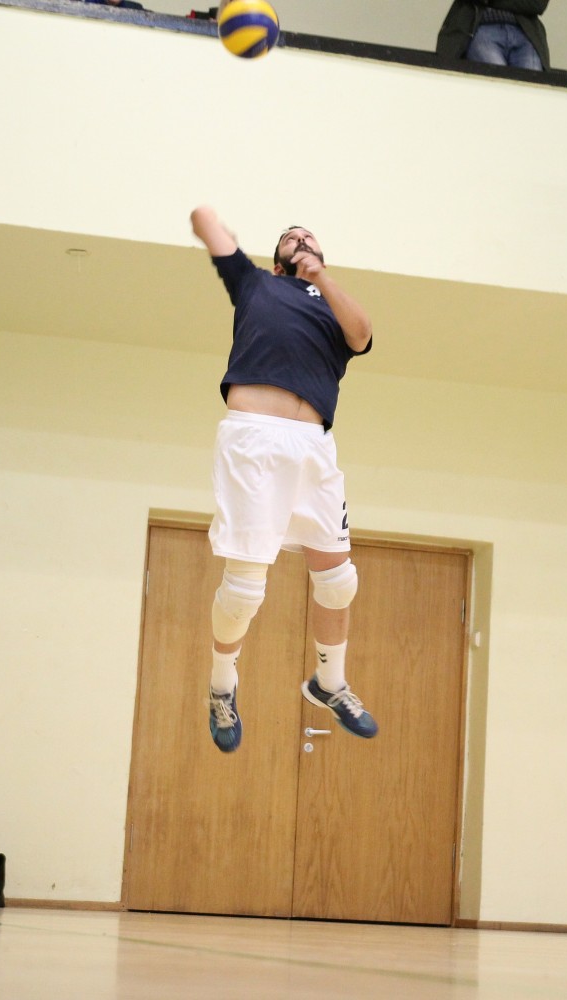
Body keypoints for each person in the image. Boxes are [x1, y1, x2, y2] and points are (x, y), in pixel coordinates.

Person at [190, 205, 379, 753]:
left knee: (339, 580)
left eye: (307, 236)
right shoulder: (256, 285)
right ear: (276, 263)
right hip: (254, 441)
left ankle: (329, 681)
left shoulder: (333, 304)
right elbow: (206, 224)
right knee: (245, 589)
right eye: (289, 238)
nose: (299, 238)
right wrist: (209, 218)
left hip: (313, 447)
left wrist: (322, 276)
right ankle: (222, 684)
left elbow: (362, 335)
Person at [437, 0, 550, 72]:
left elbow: (537, 3)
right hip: (482, 30)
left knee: (532, 93)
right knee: (498, 88)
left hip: (526, 35)